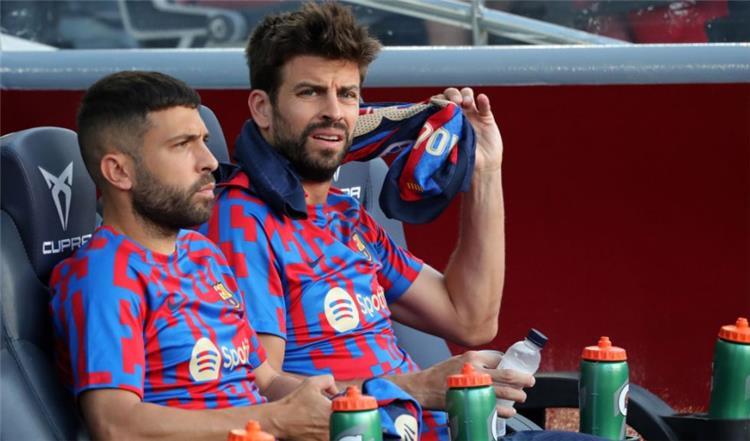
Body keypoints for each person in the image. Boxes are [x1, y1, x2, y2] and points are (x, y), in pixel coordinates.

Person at [201, 2, 531, 439]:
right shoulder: (243, 219)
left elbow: (471, 320)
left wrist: (485, 171)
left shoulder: (345, 213)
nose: (334, 112)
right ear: (262, 109)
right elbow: (263, 393)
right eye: (310, 92)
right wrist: (418, 387)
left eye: (348, 94)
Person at [49, 70, 337, 441]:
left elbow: (264, 380)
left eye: (204, 141)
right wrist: (277, 420)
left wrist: (325, 405)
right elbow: (115, 424)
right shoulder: (105, 277)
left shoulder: (202, 252)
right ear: (119, 171)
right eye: (183, 144)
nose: (210, 161)